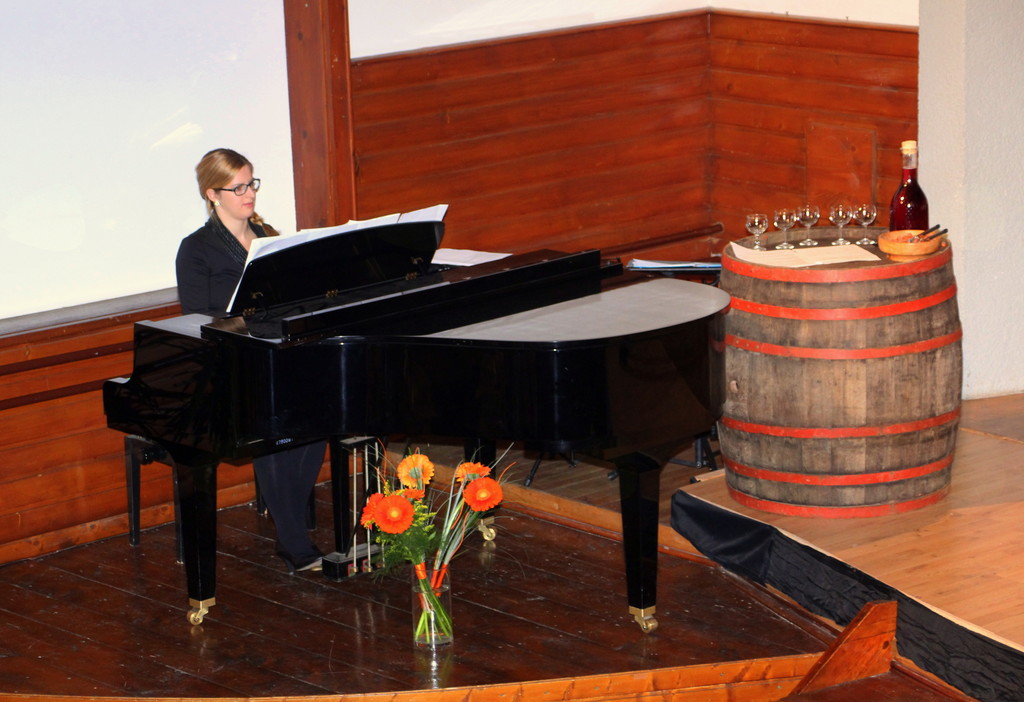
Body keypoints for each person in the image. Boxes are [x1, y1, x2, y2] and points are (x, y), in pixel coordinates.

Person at [176, 148, 325, 573]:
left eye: (251, 183)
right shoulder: (196, 249)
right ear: (212, 194)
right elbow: (198, 318)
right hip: (229, 364)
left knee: (319, 419)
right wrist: (248, 315)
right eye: (237, 187)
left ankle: (288, 520)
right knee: (271, 426)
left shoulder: (268, 235)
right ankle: (294, 541)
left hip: (275, 353)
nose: (249, 194)